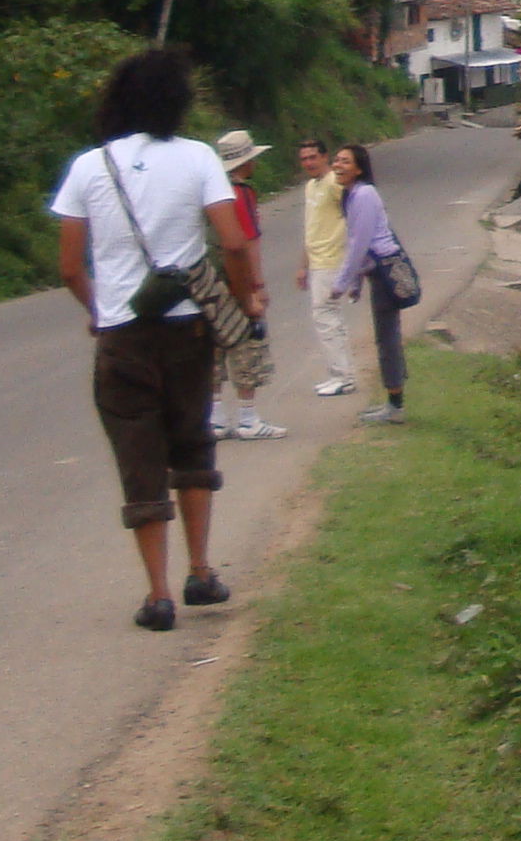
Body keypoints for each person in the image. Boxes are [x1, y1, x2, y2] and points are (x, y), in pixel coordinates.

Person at [52, 50, 262, 631]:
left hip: (123, 335)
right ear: (177, 101)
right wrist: (242, 305)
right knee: (192, 443)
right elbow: (235, 244)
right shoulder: (197, 158)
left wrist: (99, 311)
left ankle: (157, 595)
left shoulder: (88, 168)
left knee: (138, 459)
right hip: (189, 328)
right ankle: (200, 571)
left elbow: (70, 266)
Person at [202, 130, 283, 439]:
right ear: (245, 162)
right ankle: (248, 418)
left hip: (211, 281)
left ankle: (216, 416)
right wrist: (256, 287)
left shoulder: (210, 193)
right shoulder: (242, 193)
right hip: (238, 279)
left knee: (214, 345)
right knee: (248, 342)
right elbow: (248, 242)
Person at [332, 143, 412, 424]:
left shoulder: (364, 194)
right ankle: (394, 398)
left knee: (386, 337)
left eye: (344, 161)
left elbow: (360, 243)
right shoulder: (352, 194)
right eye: (336, 161)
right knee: (387, 335)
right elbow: (357, 242)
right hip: (377, 271)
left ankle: (395, 405)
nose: (337, 166)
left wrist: (342, 283)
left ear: (358, 168)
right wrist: (354, 282)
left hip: (385, 272)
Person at [295, 139, 357, 395]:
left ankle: (343, 376)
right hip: (317, 260)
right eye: (304, 159)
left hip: (332, 260)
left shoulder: (334, 183)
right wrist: (303, 265)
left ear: (324, 157)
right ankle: (339, 373)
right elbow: (312, 228)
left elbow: (354, 214)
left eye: (313, 157)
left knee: (326, 317)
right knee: (329, 319)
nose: (309, 163)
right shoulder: (311, 186)